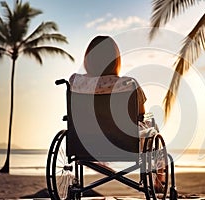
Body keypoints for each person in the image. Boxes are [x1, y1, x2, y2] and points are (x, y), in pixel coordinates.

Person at [69, 36, 165, 192]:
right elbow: (140, 114)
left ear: (88, 59)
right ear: (116, 60)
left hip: (85, 143)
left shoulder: (76, 83)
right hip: (124, 143)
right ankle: (159, 179)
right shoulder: (128, 84)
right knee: (152, 125)